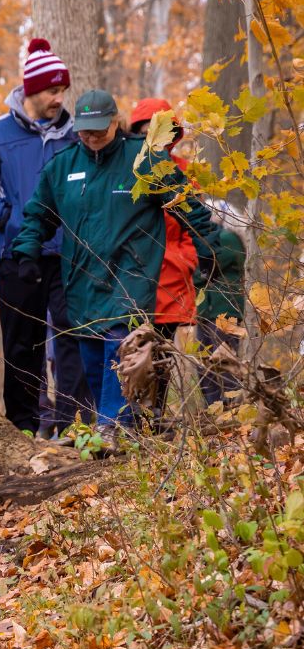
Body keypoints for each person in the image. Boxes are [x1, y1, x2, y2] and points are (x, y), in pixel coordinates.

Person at [10, 89, 216, 429]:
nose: (91, 137)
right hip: (82, 280)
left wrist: (209, 248)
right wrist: (27, 252)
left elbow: (187, 206)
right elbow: (38, 216)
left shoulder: (144, 159)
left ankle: (112, 428)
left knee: (120, 346)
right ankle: (131, 426)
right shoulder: (62, 168)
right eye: (85, 130)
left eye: (99, 129)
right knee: (93, 361)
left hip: (131, 275)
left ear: (115, 123)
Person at [0, 38, 92, 438]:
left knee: (74, 336)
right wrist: (7, 217)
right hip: (17, 254)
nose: (59, 98)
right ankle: (23, 428)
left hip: (69, 255)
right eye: (52, 90)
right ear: (31, 90)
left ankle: (75, 428)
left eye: (62, 91)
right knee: (23, 343)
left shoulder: (77, 137)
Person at [128, 98, 198, 419]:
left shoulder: (183, 172)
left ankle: (154, 416)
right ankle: (129, 416)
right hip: (132, 272)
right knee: (132, 348)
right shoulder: (128, 171)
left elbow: (195, 225)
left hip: (171, 272)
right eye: (147, 131)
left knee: (163, 350)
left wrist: (186, 259)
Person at [195, 224, 246, 405]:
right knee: (203, 360)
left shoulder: (226, 238)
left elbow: (205, 267)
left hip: (226, 310)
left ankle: (231, 407)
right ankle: (214, 408)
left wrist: (192, 267)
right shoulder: (211, 240)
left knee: (225, 359)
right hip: (205, 311)